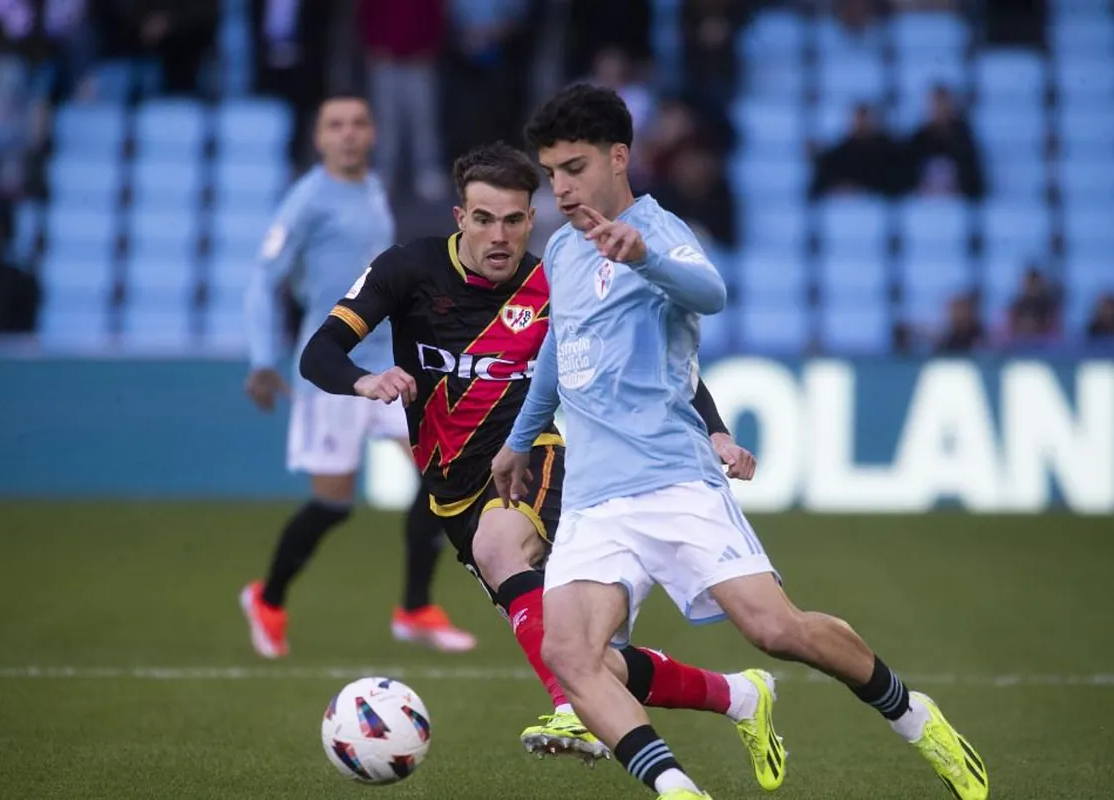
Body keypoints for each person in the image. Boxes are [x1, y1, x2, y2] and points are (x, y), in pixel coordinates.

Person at [492, 84, 988, 800]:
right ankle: (679, 791)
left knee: (775, 629)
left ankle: (912, 713)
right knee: (570, 654)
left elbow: (711, 292)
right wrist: (519, 439)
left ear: (618, 157)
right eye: (551, 173)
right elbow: (554, 352)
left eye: (575, 168)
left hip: (671, 478)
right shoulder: (562, 251)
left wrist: (643, 257)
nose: (561, 188)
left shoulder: (658, 230)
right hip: (595, 499)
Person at [299, 142, 772, 765]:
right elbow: (319, 352)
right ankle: (739, 695)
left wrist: (714, 430)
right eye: (483, 219)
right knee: (583, 655)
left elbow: (659, 362)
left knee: (504, 555)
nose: (499, 236)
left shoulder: (557, 283)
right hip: (452, 492)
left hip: (530, 460)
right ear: (460, 217)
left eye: (513, 220)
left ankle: (571, 710)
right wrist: (363, 380)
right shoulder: (408, 269)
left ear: (531, 219)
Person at [239, 94, 475, 659]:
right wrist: (262, 359)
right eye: (335, 125)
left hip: (389, 364)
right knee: (333, 503)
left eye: (358, 123)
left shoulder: (371, 188)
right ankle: (267, 599)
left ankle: (415, 608)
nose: (348, 133)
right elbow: (262, 281)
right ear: (319, 138)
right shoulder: (307, 200)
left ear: (373, 133)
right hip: (334, 368)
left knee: (440, 475)